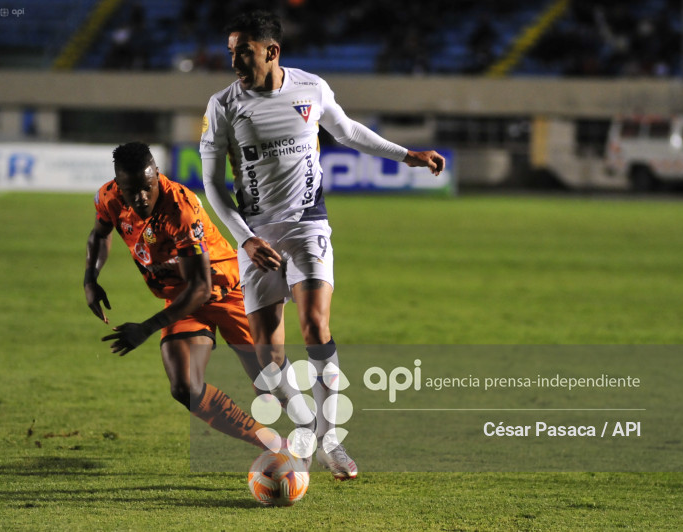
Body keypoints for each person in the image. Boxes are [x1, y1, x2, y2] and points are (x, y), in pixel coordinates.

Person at [200, 10, 445, 480]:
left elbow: (348, 130)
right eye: (231, 51)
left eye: (243, 52)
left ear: (271, 51)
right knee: (269, 367)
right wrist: (246, 240)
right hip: (256, 236)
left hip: (308, 224)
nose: (234, 60)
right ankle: (308, 429)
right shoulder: (223, 106)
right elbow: (212, 184)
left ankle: (330, 441)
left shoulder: (311, 88)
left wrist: (406, 155)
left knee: (315, 326)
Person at [84, 141, 311, 460]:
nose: (141, 198)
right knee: (184, 388)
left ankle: (316, 432)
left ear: (157, 176)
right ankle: (273, 444)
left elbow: (201, 287)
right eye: (131, 190)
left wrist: (146, 328)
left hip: (226, 289)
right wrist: (90, 279)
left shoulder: (180, 207)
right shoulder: (109, 198)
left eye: (147, 188)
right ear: (118, 185)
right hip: (182, 298)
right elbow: (99, 234)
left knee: (269, 381)